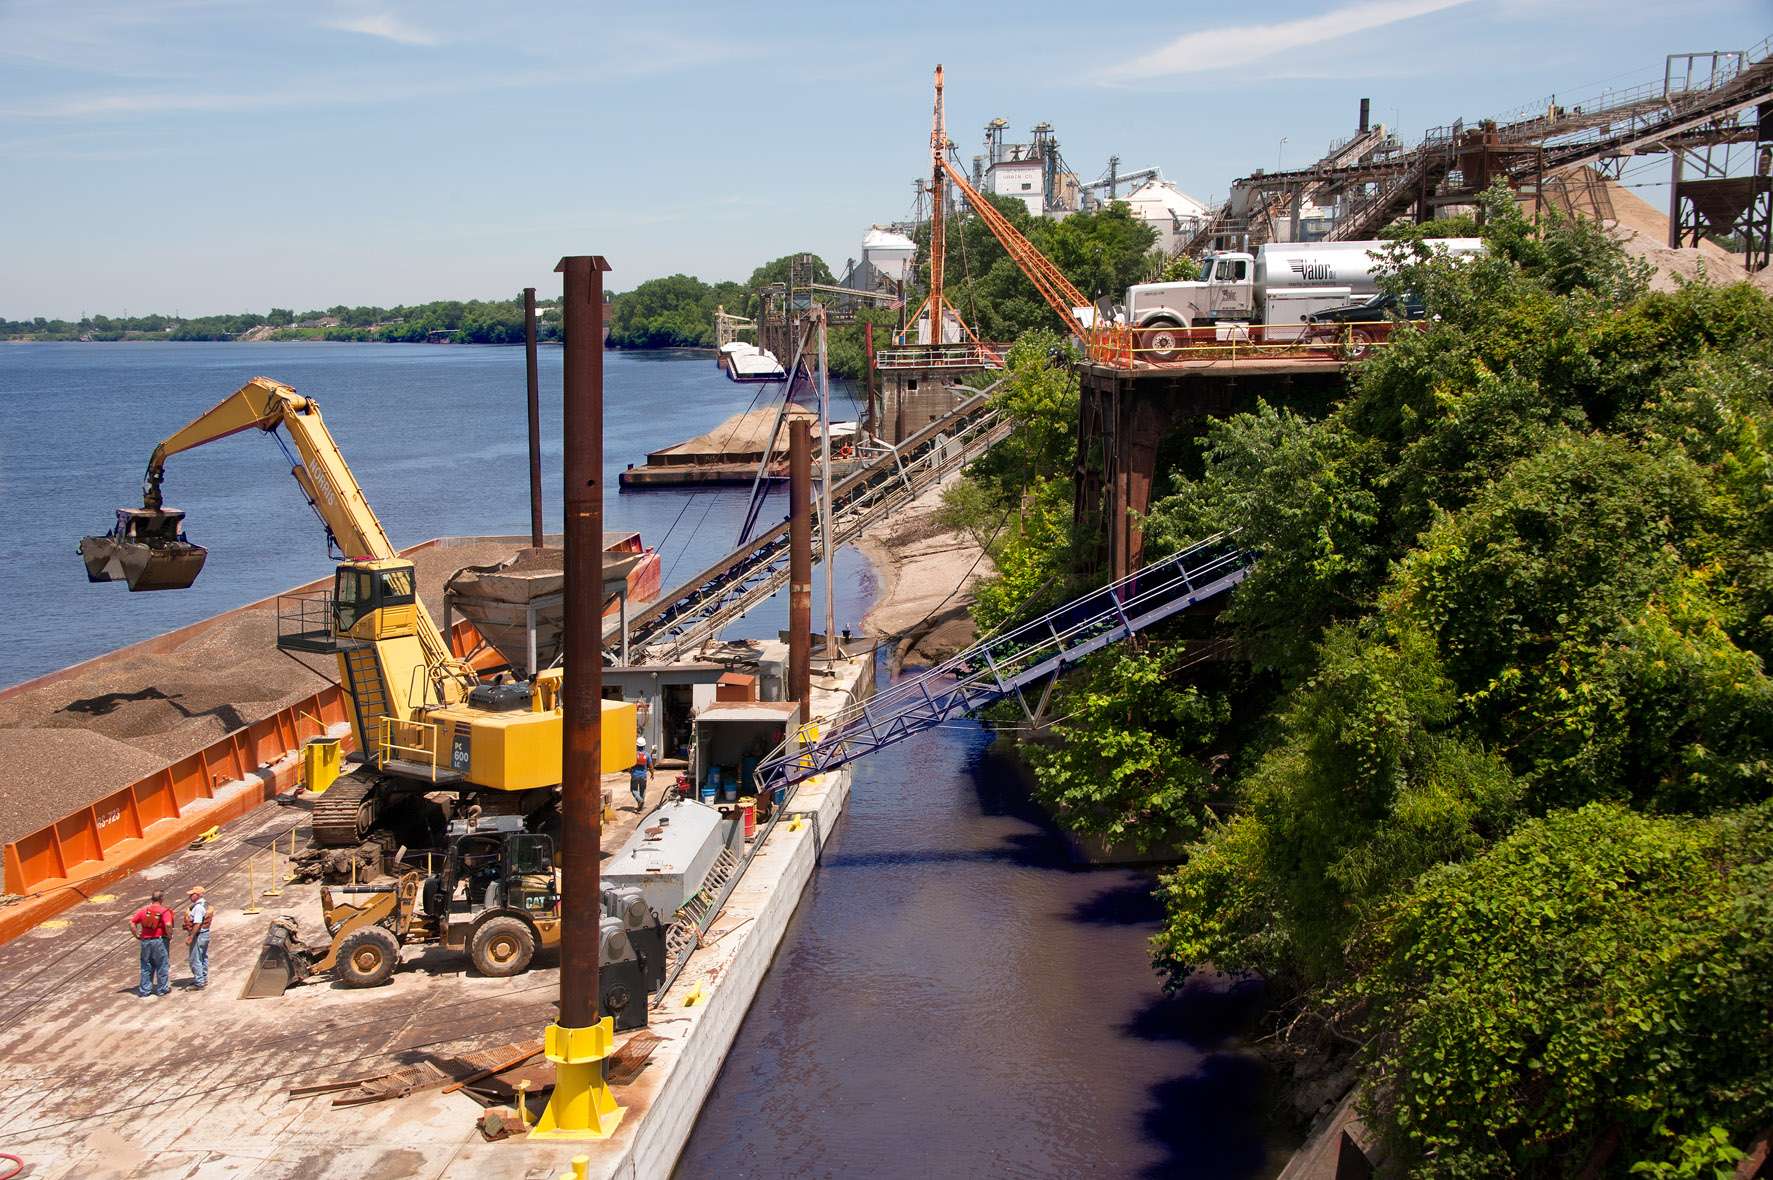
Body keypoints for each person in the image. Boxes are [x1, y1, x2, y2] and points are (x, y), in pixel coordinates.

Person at [129, 890, 175, 997]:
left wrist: (136, 935)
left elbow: (131, 923)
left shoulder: (144, 911)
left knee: (146, 965)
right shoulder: (164, 911)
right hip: (159, 940)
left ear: (151, 899)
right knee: (162, 964)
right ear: (162, 899)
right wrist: (169, 935)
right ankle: (162, 989)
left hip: (145, 941)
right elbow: (168, 924)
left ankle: (145, 990)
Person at [183, 886, 212, 989]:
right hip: (205, 935)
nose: (190, 896)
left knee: (195, 959)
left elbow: (197, 923)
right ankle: (203, 978)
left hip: (199, 936)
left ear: (198, 895)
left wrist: (190, 937)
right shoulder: (205, 905)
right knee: (203, 957)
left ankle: (199, 983)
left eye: (192, 894)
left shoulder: (198, 908)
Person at [629, 736, 651, 810]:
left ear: (637, 745)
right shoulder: (647, 755)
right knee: (643, 789)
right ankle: (642, 805)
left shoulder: (633, 754)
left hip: (635, 775)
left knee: (634, 790)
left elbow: (629, 766)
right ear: (644, 746)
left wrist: (630, 771)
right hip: (643, 775)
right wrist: (652, 773)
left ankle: (640, 800)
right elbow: (650, 766)